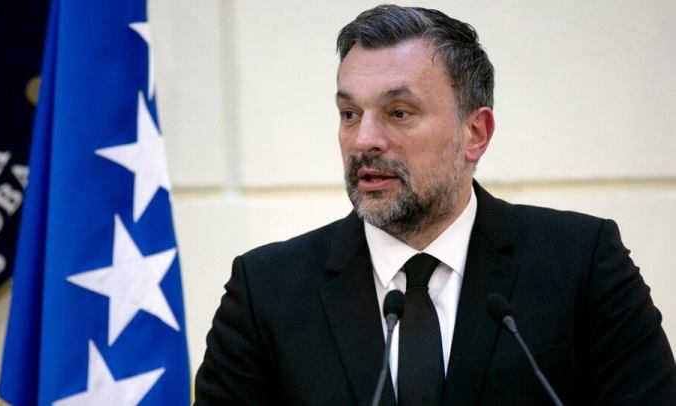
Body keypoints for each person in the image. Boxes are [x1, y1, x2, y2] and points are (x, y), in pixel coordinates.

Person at [194, 4, 676, 405]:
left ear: (475, 133)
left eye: (398, 112)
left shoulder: (581, 262)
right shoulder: (266, 290)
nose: (363, 139)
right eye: (349, 113)